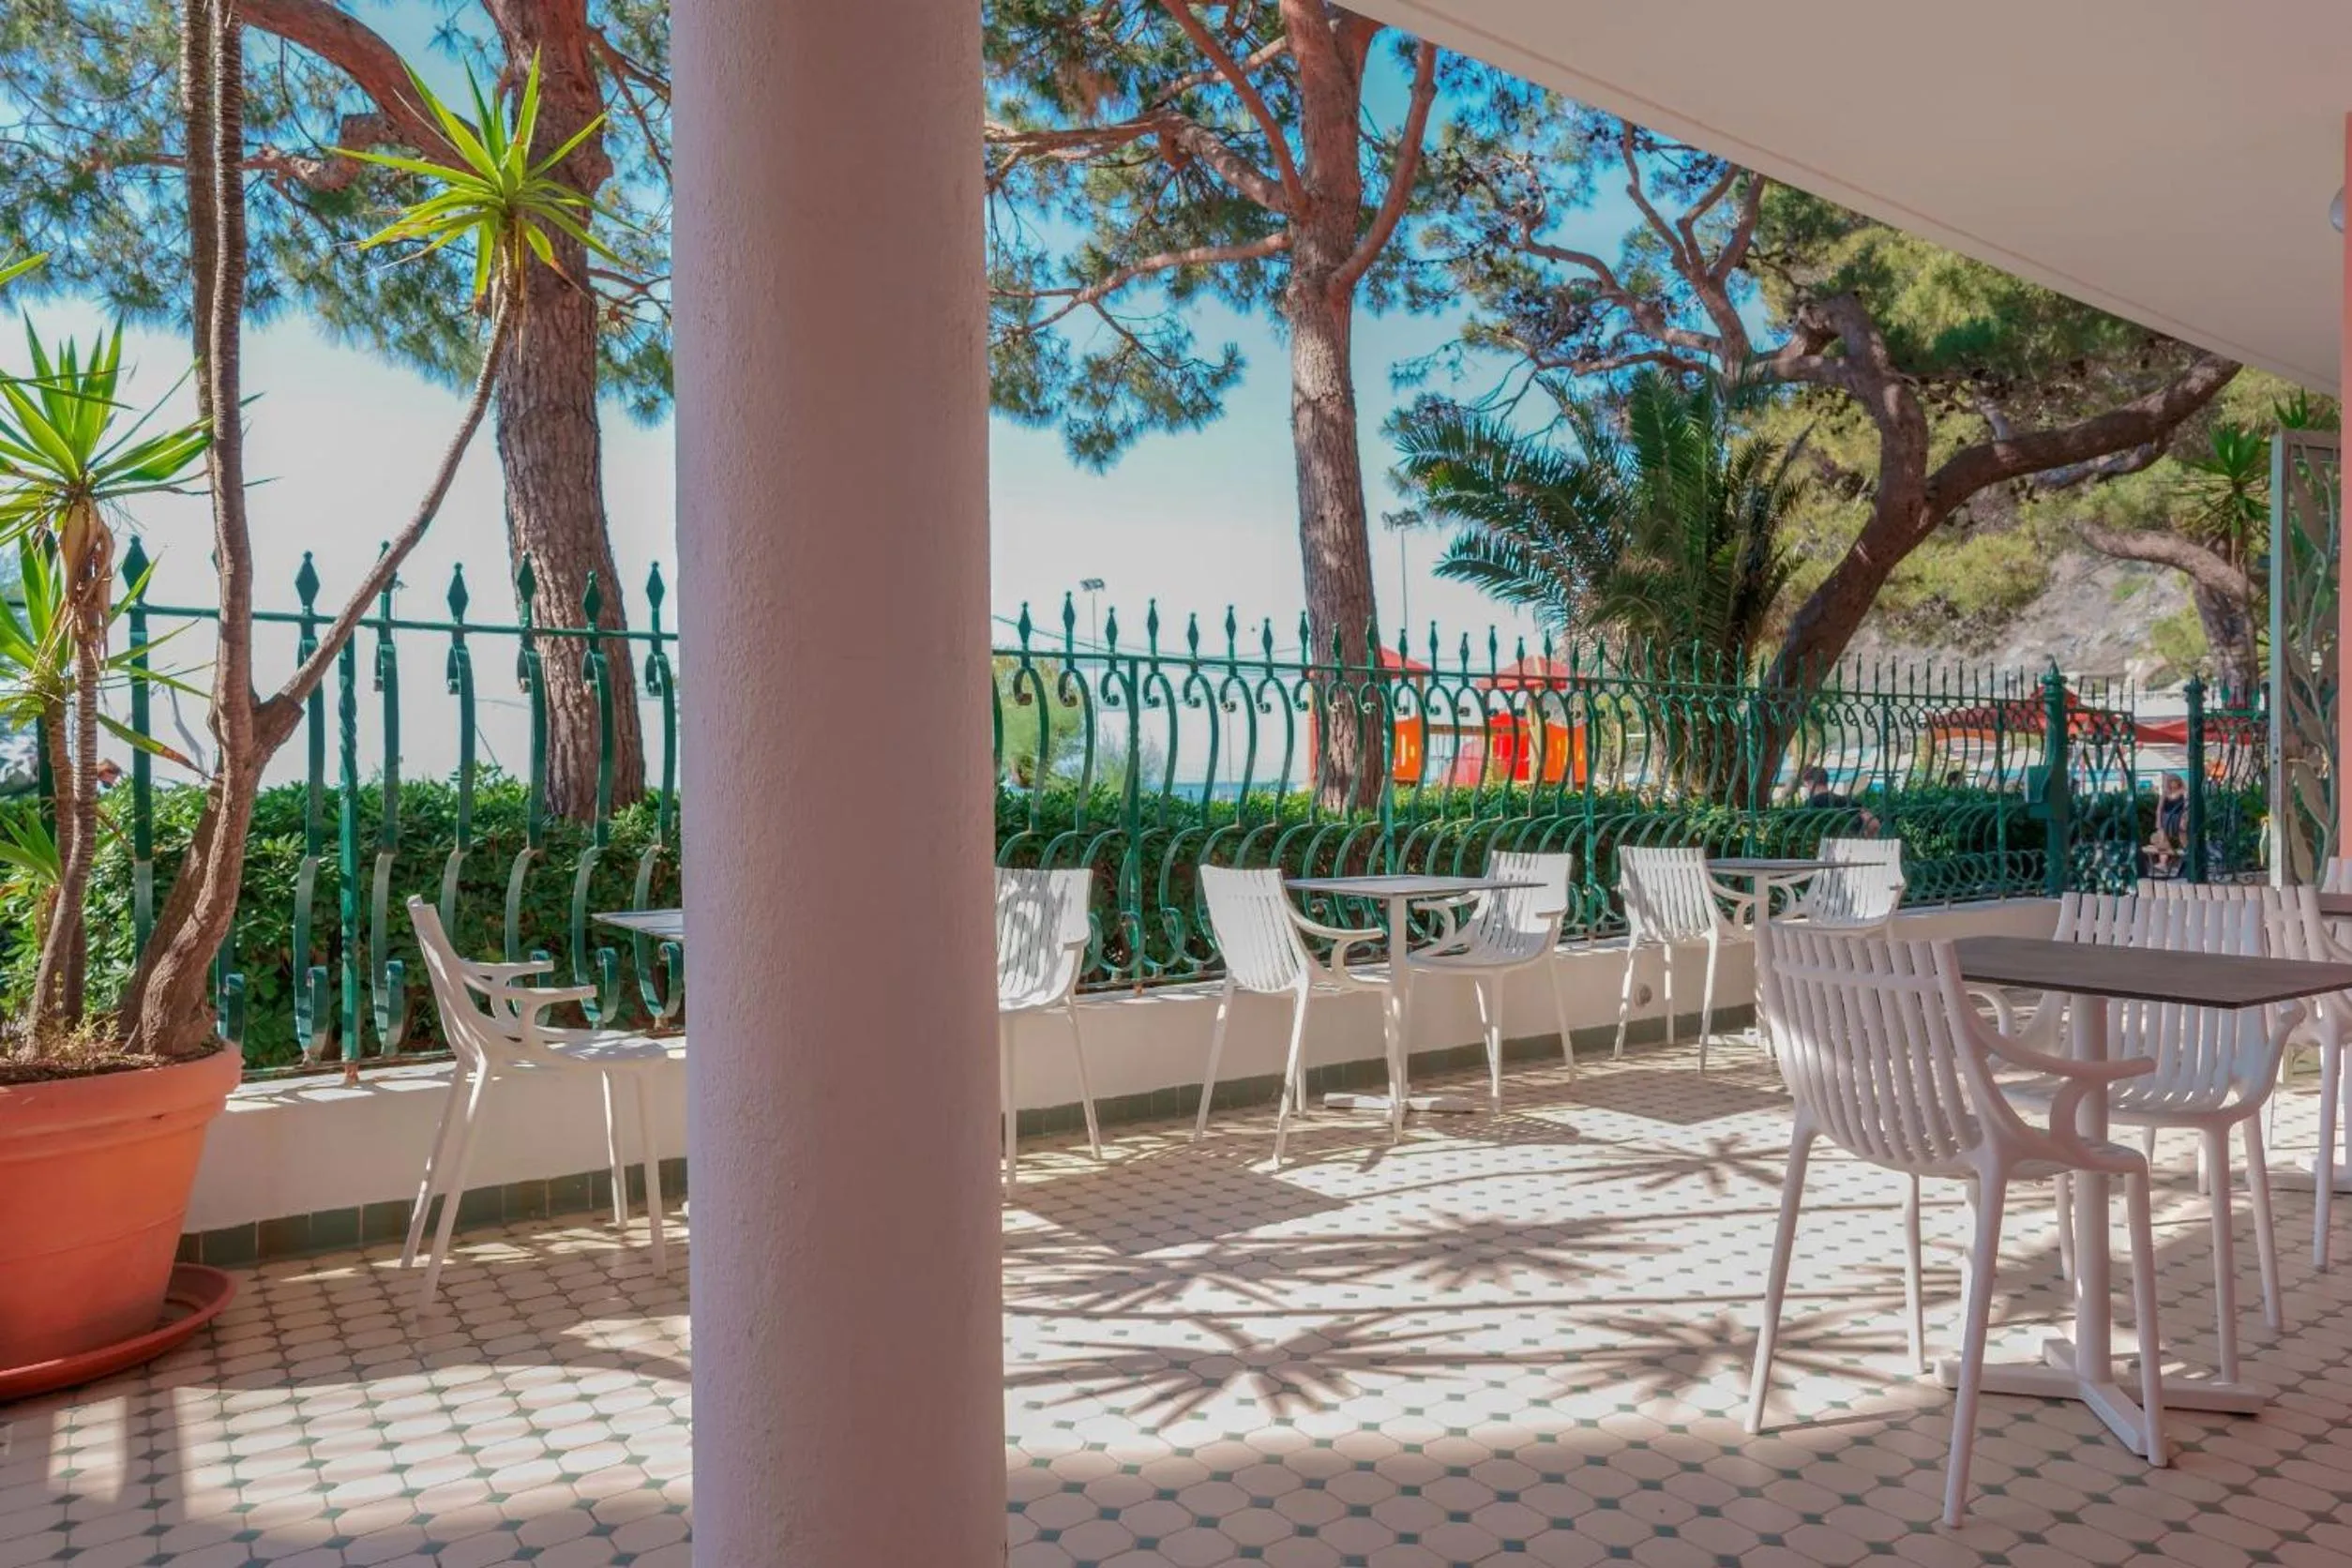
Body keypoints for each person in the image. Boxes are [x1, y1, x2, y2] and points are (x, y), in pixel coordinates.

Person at [2145, 772, 2188, 877]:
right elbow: (2159, 809)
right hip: (2166, 819)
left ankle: (2186, 860)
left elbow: (2187, 807)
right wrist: (2158, 823)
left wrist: (2184, 819)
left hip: (2177, 819)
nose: (2173, 783)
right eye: (2171, 781)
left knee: (2182, 839)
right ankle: (2163, 863)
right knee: (2163, 840)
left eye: (2175, 781)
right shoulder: (2165, 793)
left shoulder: (2184, 792)